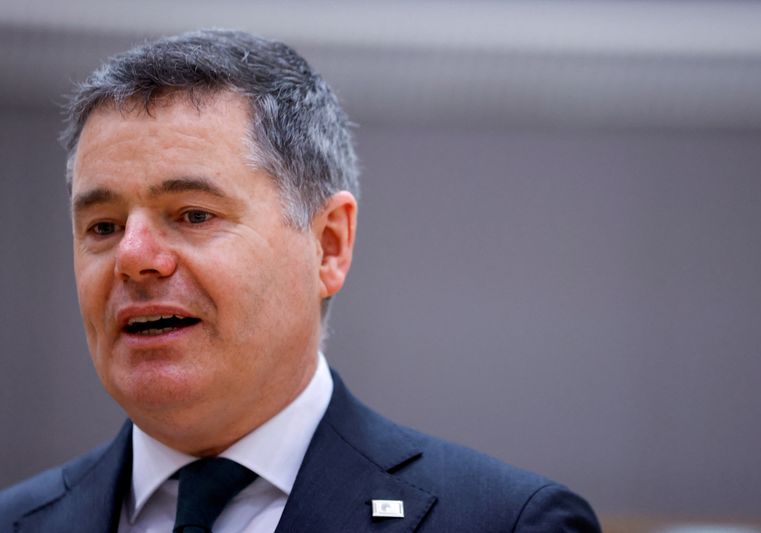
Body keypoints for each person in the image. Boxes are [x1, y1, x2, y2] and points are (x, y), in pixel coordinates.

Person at [0, 29, 601, 532]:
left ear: (328, 245)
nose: (133, 257)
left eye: (193, 215)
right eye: (103, 226)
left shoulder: (505, 522)